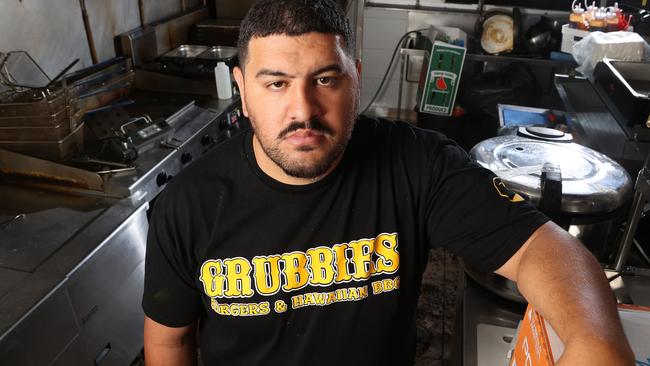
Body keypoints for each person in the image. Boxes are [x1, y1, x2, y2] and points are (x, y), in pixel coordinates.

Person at [142, 1, 634, 365]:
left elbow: (539, 248)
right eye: (276, 84)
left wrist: (597, 341)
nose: (303, 110)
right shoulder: (186, 206)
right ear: (242, 91)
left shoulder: (417, 163)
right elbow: (169, 341)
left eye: (326, 79)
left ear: (357, 77)